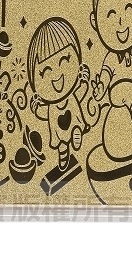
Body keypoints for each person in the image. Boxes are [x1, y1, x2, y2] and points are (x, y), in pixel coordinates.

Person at [28, 17, 89, 171]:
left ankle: (76, 131)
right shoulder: (50, 108)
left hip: (73, 120)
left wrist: (83, 81)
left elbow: (81, 92)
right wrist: (36, 108)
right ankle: (63, 149)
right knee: (60, 139)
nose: (56, 76)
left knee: (75, 121)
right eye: (45, 71)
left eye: (65, 60)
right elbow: (42, 113)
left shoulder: (72, 97)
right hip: (57, 129)